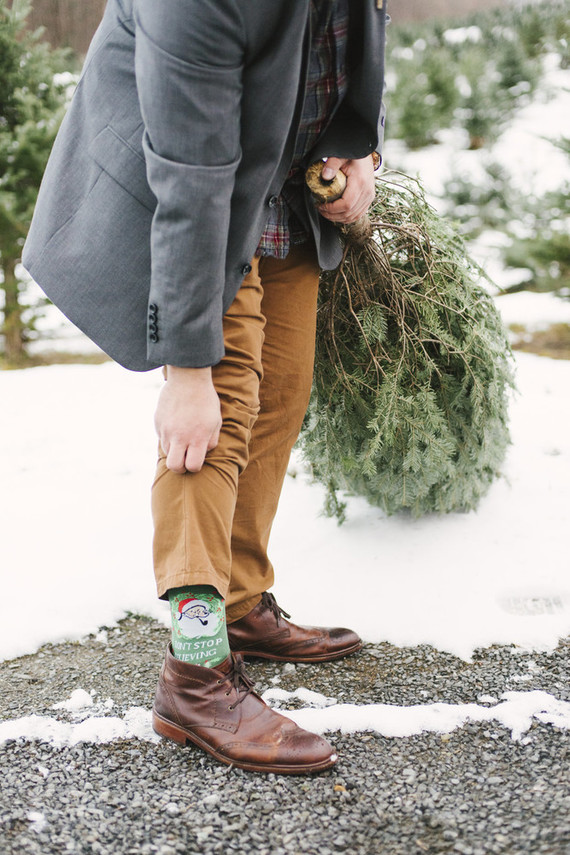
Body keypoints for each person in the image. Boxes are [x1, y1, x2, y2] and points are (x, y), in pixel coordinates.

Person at [23, 0, 388, 774]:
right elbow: (192, 176)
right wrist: (187, 372)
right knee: (212, 423)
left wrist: (358, 152)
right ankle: (195, 669)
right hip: (193, 193)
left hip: (275, 176)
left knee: (282, 391)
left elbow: (343, 46)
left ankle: (242, 603)